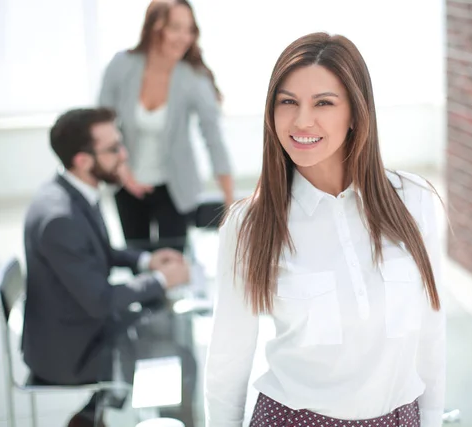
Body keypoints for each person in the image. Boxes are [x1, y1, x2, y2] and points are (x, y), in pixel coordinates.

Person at [205, 33, 446, 427]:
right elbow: (227, 361)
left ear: (356, 112)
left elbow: (431, 334)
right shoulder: (250, 225)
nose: (302, 121)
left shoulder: (414, 202)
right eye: (288, 102)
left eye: (323, 103)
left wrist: (432, 420)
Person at [22, 107, 192, 427]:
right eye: (114, 148)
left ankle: (95, 414)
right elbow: (100, 300)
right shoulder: (60, 217)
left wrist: (145, 261)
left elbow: (98, 251)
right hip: (70, 350)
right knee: (169, 344)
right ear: (83, 160)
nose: (124, 154)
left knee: (159, 320)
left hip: (76, 321)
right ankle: (113, 412)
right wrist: (161, 279)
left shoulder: (72, 190)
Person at [98, 0, 234, 253]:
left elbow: (213, 138)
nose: (184, 37)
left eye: (190, 29)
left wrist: (229, 202)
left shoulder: (193, 77)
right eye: (176, 27)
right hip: (127, 182)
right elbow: (101, 125)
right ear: (154, 27)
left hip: (174, 187)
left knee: (173, 261)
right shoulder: (122, 65)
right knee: (137, 256)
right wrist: (123, 172)